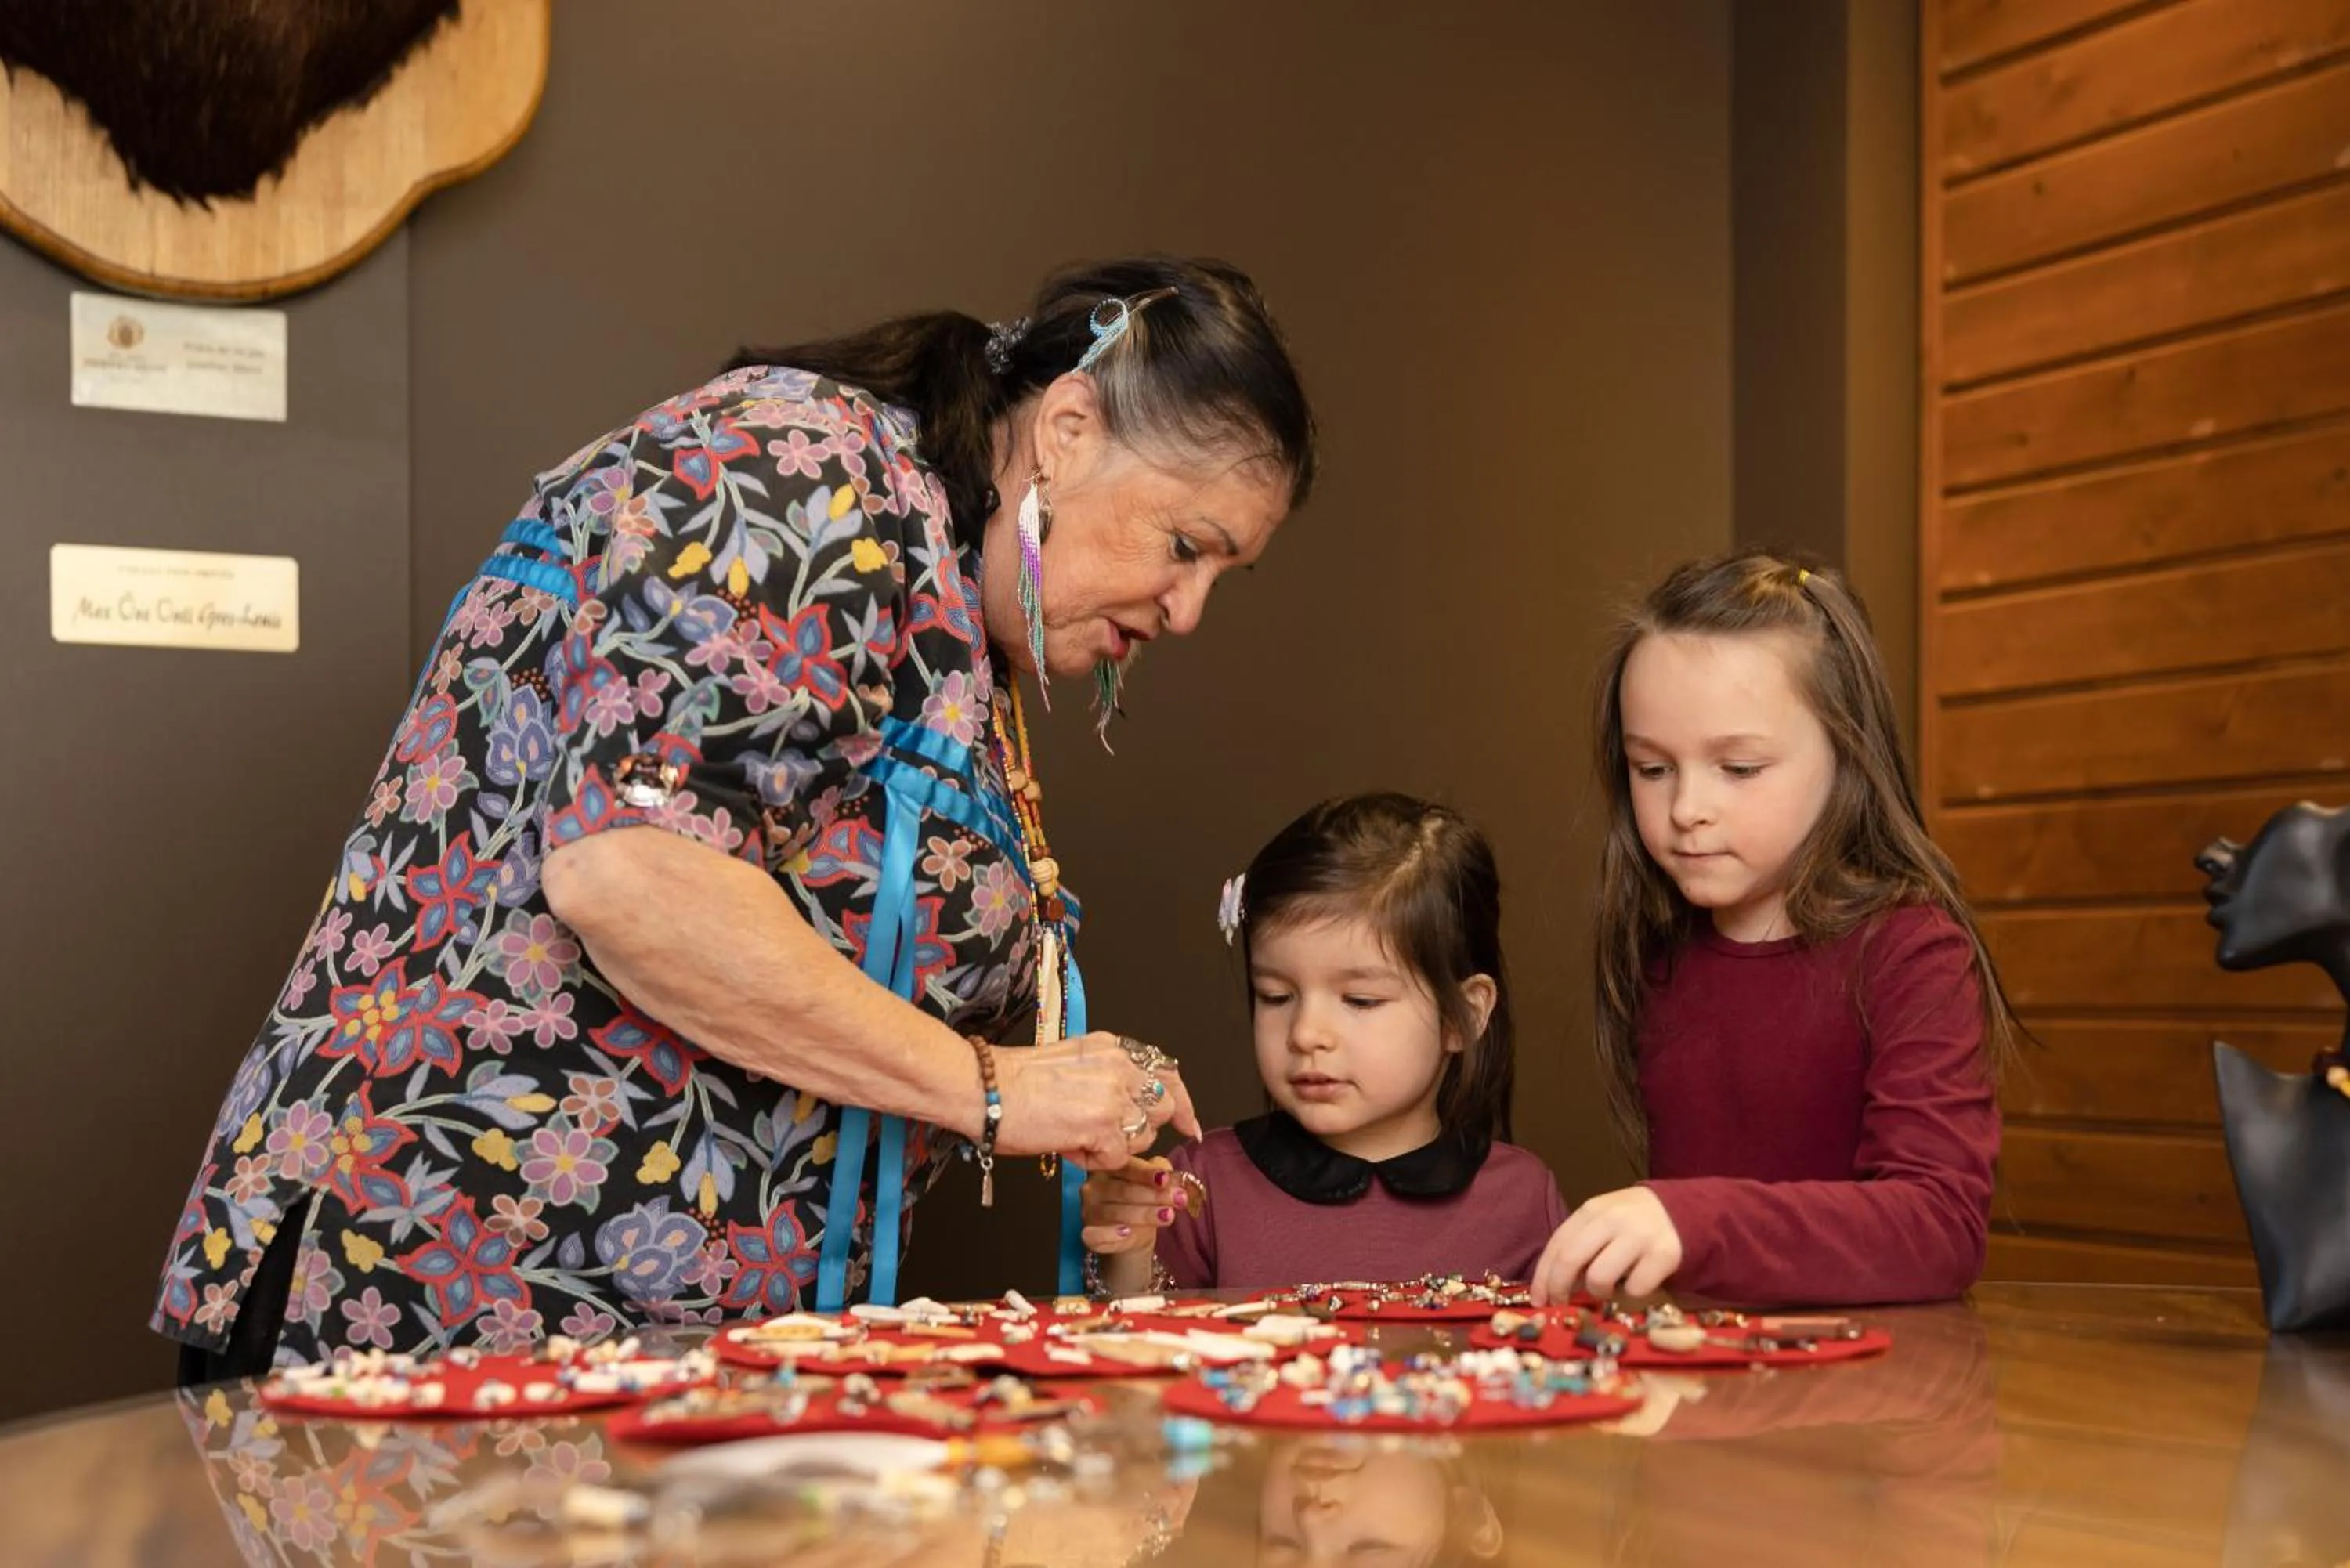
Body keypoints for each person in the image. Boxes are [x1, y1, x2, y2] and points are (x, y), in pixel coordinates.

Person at [154, 256, 1318, 1377]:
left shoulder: (964, 628)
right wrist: (1001, 1089)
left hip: (650, 1344)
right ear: (1067, 429)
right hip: (446, 1290)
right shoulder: (800, 467)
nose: (1189, 609)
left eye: (1225, 574)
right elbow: (635, 871)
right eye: (1185, 546)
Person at [1534, 548, 2012, 1308]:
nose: (1687, 806)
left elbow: (1940, 1226)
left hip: (1874, 1401)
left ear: (1846, 755)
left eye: (1740, 768)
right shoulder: (1662, 951)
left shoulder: (1911, 952)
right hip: (1708, 1394)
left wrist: (1690, 1220)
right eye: (1652, 769)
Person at [1083, 793, 1565, 1293]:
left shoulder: (1524, 1198)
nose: (1306, 1033)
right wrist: (1129, 1250)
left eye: (1359, 1000)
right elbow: (1132, 1346)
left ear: (1462, 1016)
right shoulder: (1200, 1186)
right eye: (1276, 996)